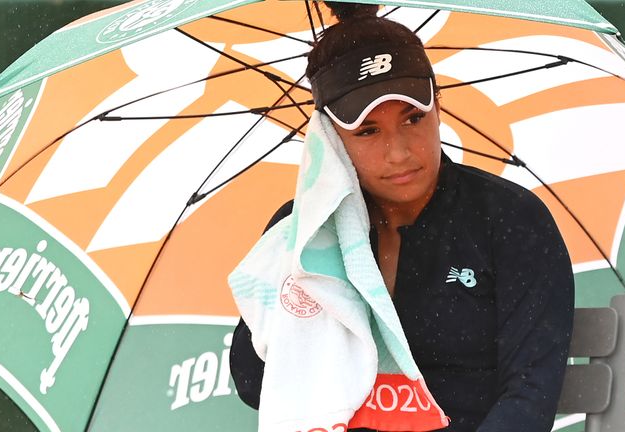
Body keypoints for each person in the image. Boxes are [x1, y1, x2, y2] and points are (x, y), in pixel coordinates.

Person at [230, 3, 574, 431]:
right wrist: (304, 313)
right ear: (330, 138)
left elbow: (531, 392)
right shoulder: (301, 233)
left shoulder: (509, 218)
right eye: (367, 131)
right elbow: (252, 380)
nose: (399, 153)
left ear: (439, 106)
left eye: (413, 118)